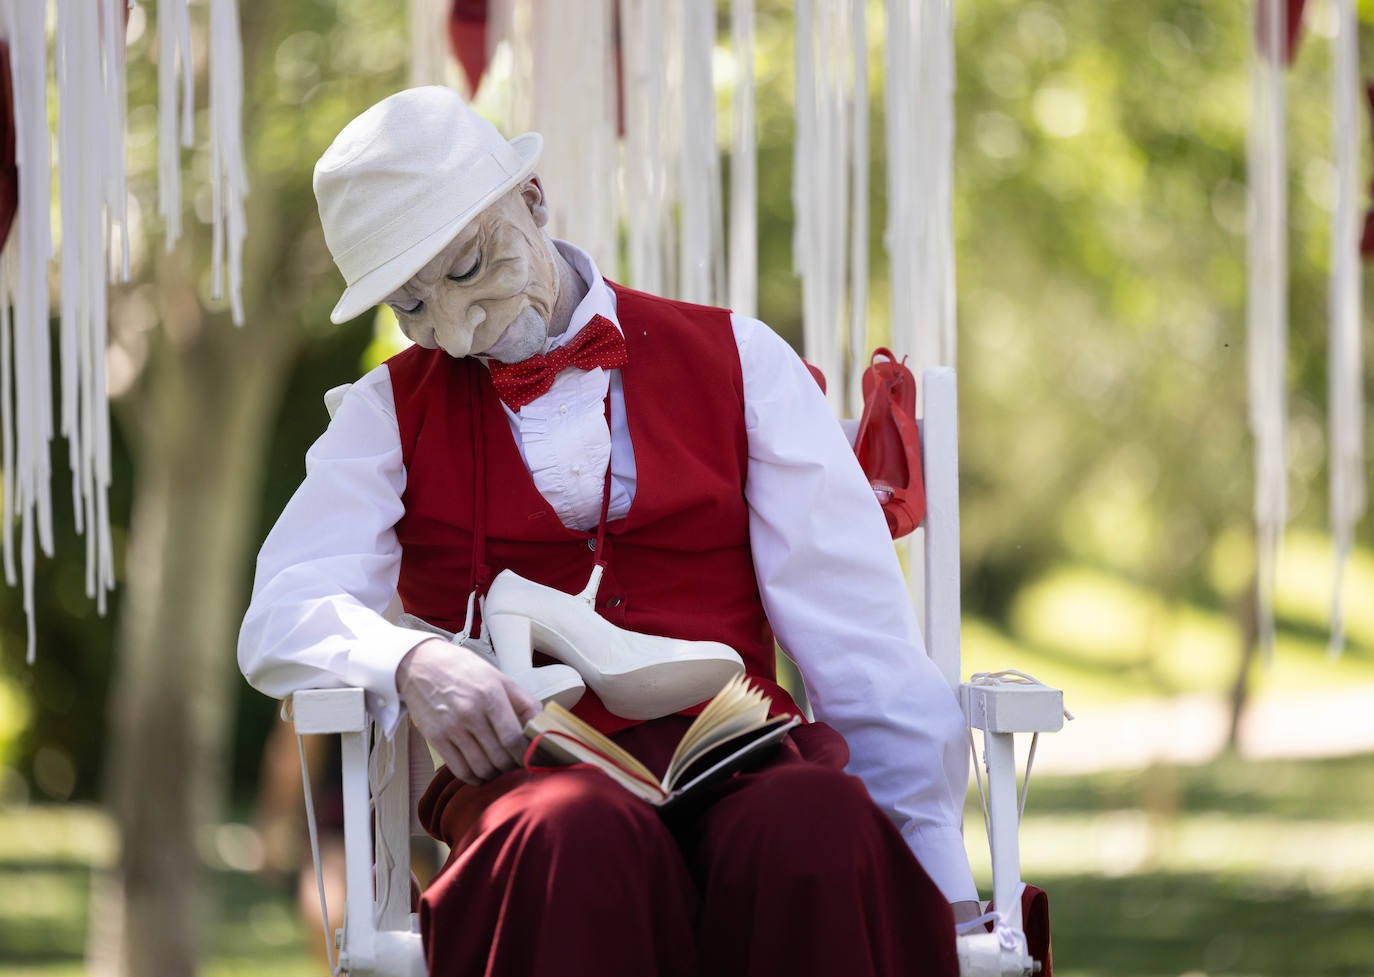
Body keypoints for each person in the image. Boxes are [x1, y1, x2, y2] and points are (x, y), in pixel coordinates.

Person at [239, 86, 980, 977]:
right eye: (412, 306)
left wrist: (952, 895)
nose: (457, 327)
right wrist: (409, 661)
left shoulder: (741, 360)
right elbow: (283, 609)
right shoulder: (383, 415)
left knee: (813, 827)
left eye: (470, 266)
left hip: (736, 761)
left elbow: (861, 643)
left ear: (536, 198)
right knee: (570, 839)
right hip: (533, 786)